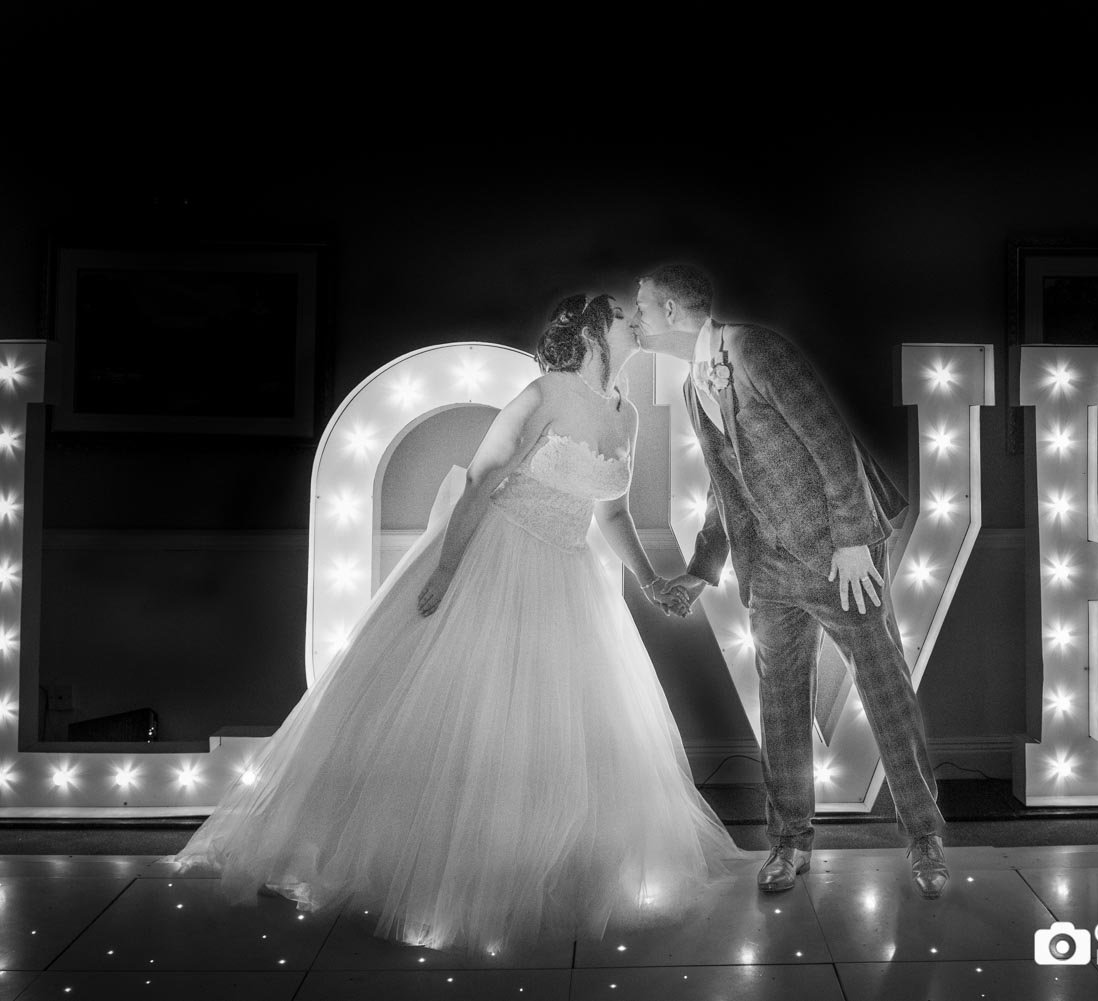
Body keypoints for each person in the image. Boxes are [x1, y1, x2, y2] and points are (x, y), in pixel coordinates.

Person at [162, 293, 748, 953]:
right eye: (619, 313)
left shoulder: (627, 413)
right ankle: (431, 873)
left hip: (568, 570)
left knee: (551, 723)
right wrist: (445, 572)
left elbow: (609, 514)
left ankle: (541, 865)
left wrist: (650, 579)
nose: (633, 319)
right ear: (589, 330)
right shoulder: (543, 393)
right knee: (468, 715)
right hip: (496, 555)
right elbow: (481, 477)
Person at [632, 264, 950, 899]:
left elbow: (831, 441)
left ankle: (925, 841)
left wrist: (854, 540)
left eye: (641, 307)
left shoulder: (755, 350)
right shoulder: (696, 387)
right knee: (779, 705)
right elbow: (726, 489)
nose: (634, 317)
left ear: (671, 311)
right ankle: (789, 843)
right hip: (769, 567)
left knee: (885, 693)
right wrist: (703, 569)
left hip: (840, 559)